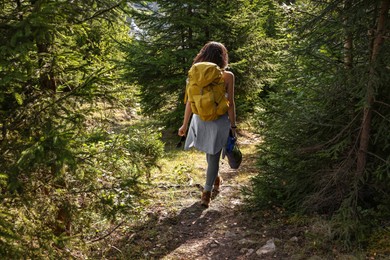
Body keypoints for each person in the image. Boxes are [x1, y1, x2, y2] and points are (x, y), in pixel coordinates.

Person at [178, 41, 237, 208]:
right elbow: (230, 103)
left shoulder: (194, 74)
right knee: (213, 157)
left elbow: (189, 101)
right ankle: (207, 192)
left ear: (203, 55)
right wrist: (233, 126)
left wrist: (184, 125)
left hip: (200, 119)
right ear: (223, 57)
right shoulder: (227, 76)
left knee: (211, 156)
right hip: (218, 121)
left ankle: (215, 178)